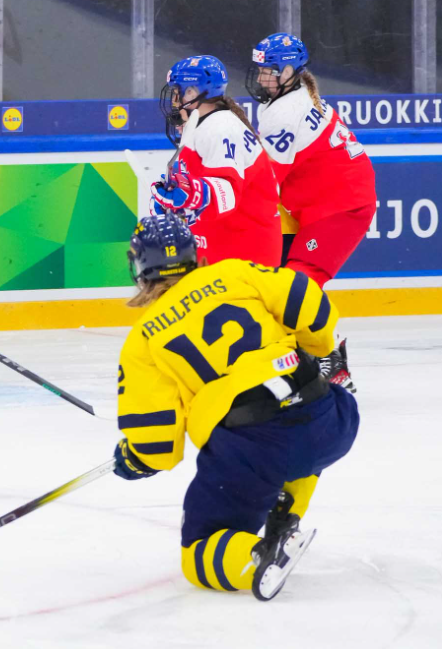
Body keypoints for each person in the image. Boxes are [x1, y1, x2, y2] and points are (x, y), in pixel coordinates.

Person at [112, 214, 359, 601]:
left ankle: (258, 556)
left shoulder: (143, 339)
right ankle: (285, 511)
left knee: (199, 551)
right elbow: (309, 302)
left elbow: (156, 441)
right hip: (329, 420)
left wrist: (135, 457)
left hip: (253, 450)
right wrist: (315, 349)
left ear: (139, 267)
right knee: (304, 428)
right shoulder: (234, 273)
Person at [246, 33, 377, 391]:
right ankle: (309, 354)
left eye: (270, 71)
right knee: (284, 277)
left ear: (290, 70)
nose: (262, 78)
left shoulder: (285, 111)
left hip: (341, 206)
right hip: (321, 202)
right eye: (260, 70)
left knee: (298, 283)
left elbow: (265, 180)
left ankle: (330, 359)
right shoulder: (294, 97)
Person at [150, 55, 282, 268]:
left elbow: (226, 194)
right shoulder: (201, 125)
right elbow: (198, 188)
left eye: (177, 94)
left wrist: (190, 194)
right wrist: (174, 203)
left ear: (192, 93)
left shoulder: (221, 129)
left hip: (246, 258)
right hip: (223, 252)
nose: (173, 102)